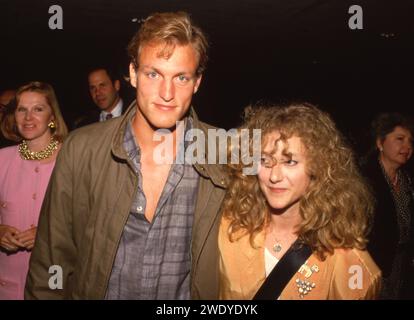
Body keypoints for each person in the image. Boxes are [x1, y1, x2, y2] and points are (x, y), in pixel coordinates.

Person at [25, 11, 227, 299]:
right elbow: (52, 259)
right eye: (153, 74)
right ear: (132, 73)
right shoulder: (81, 149)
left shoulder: (224, 154)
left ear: (197, 82)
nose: (167, 93)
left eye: (181, 77)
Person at [219, 103, 381, 300]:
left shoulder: (348, 262)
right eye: (265, 160)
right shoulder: (230, 229)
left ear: (317, 167)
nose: (274, 176)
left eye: (290, 162)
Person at [0, 81, 68, 299]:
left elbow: (91, 222)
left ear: (52, 117)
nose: (28, 118)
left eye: (38, 109)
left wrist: (47, 236)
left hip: (54, 281)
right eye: (22, 110)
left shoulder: (71, 160)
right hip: (7, 285)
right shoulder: (2, 160)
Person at [362, 112, 414, 299]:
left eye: (410, 142)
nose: (407, 146)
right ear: (380, 143)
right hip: (371, 264)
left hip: (401, 264)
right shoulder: (363, 179)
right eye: (400, 139)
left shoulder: (407, 180)